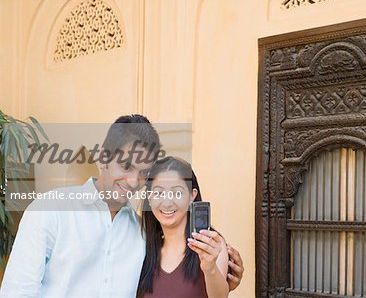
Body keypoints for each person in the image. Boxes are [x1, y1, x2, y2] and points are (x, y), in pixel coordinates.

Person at [0, 115, 243, 297]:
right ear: (103, 157)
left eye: (143, 173)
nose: (133, 182)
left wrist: (218, 278)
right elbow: (17, 291)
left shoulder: (143, 233)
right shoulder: (50, 212)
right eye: (125, 166)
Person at [137, 157, 228, 297]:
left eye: (176, 193)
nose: (167, 203)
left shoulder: (211, 246)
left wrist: (210, 269)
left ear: (192, 196)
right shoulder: (142, 249)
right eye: (158, 193)